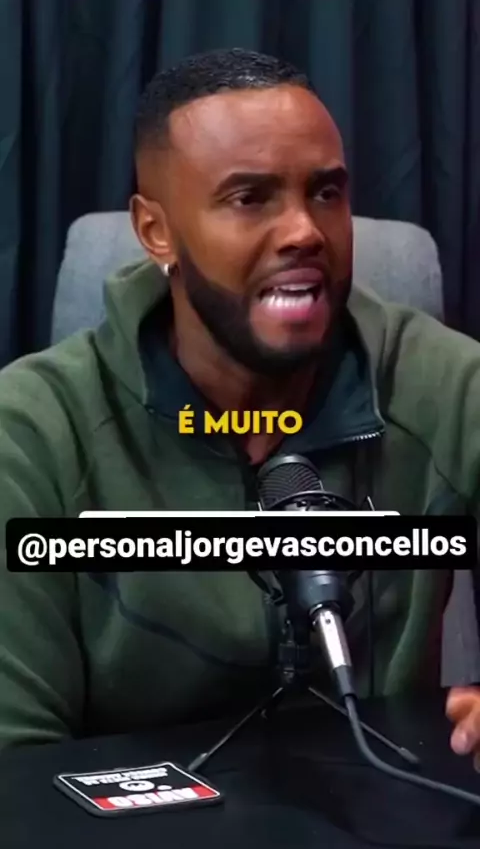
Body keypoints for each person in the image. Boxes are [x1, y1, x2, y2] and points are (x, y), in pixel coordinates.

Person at [0, 48, 479, 767]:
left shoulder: (443, 385)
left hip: (388, 803)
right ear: (156, 232)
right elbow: (15, 770)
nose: (305, 231)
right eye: (250, 198)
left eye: (326, 192)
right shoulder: (33, 431)